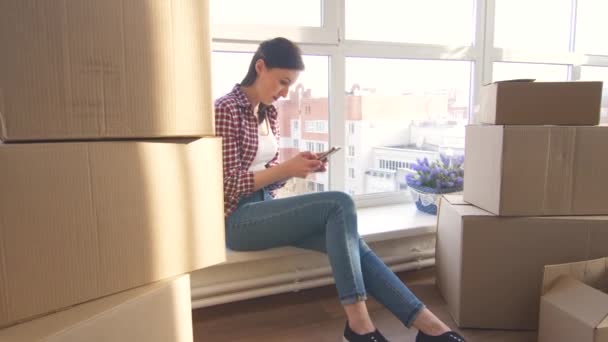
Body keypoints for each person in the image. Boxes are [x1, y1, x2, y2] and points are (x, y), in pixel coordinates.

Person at [214, 37, 466, 342]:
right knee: (339, 203)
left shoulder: (269, 113)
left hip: (267, 208)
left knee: (350, 241)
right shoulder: (225, 109)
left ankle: (430, 328)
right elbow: (224, 186)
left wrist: (299, 168)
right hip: (239, 220)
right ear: (260, 67)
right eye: (282, 82)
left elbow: (272, 177)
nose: (285, 93)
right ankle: (360, 326)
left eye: (290, 85)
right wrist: (286, 169)